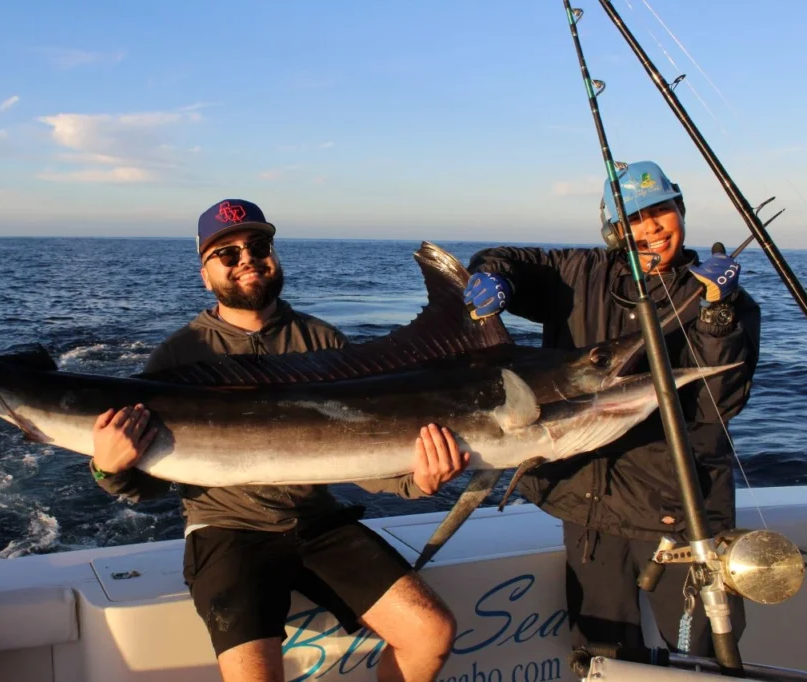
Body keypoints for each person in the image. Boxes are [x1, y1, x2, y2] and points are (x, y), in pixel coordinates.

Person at [90, 198, 470, 682]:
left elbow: (362, 449)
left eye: (258, 246)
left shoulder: (323, 342)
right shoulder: (178, 356)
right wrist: (109, 469)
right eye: (227, 253)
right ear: (205, 275)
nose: (247, 259)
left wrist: (418, 480)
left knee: (431, 632)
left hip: (319, 522)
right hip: (228, 531)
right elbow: (152, 483)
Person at [463, 160, 761, 660]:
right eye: (635, 218)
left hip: (679, 515)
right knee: (601, 660)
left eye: (661, 211)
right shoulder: (577, 274)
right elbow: (509, 259)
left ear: (680, 210)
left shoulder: (722, 300)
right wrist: (493, 276)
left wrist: (717, 315)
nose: (652, 229)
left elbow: (720, 403)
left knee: (700, 660)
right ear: (614, 231)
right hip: (586, 507)